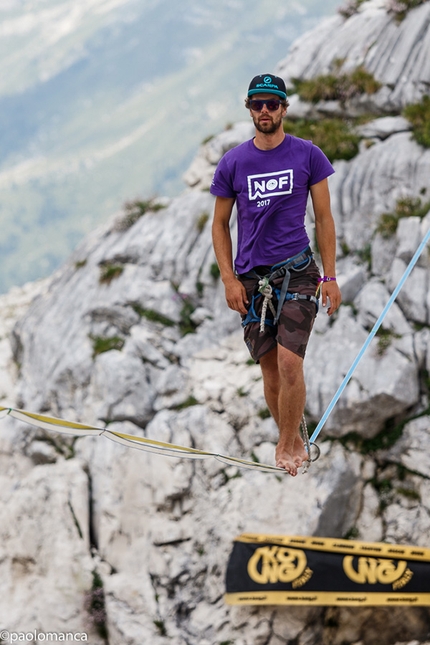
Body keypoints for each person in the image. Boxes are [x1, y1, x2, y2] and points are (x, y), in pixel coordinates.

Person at [210, 73, 341, 477]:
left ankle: (285, 444)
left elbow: (323, 218)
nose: (264, 111)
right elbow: (219, 225)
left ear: (284, 108)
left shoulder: (308, 155)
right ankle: (292, 436)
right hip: (251, 279)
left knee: (288, 363)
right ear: (249, 108)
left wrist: (330, 277)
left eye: (271, 103)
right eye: (256, 104)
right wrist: (229, 279)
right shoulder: (233, 162)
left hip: (298, 271)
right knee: (268, 367)